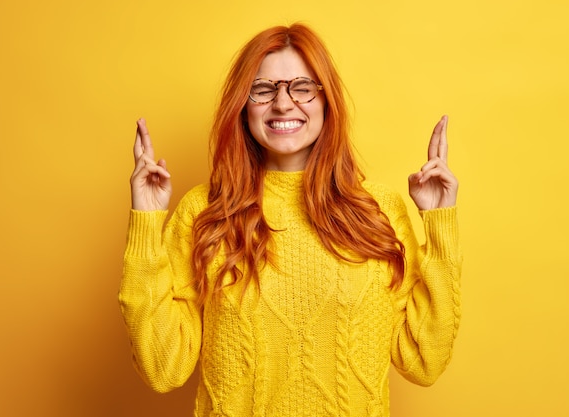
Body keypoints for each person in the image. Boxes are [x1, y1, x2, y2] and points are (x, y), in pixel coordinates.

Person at [119, 23, 461, 417]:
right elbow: (163, 369)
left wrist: (439, 226)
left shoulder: (378, 210)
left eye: (301, 87)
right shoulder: (204, 212)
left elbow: (423, 362)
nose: (282, 103)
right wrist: (145, 222)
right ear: (243, 104)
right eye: (264, 89)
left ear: (326, 99)